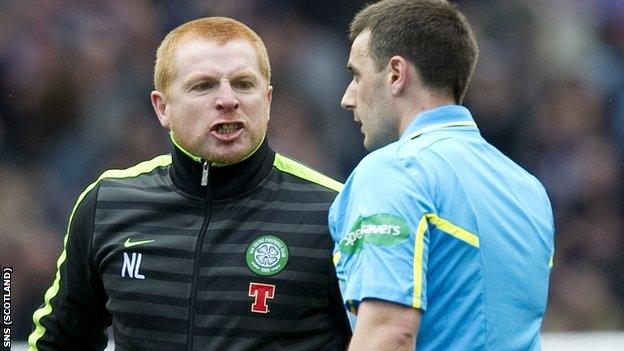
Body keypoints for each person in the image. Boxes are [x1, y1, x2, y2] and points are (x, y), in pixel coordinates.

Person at [28, 17, 351, 351]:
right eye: (204, 85)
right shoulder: (108, 204)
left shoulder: (336, 210)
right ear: (162, 107)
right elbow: (59, 341)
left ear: (267, 101)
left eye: (243, 84)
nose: (228, 100)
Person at [329, 0, 555, 350]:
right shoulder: (528, 188)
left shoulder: (394, 170)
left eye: (357, 75)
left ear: (395, 74)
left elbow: (390, 333)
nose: (348, 97)